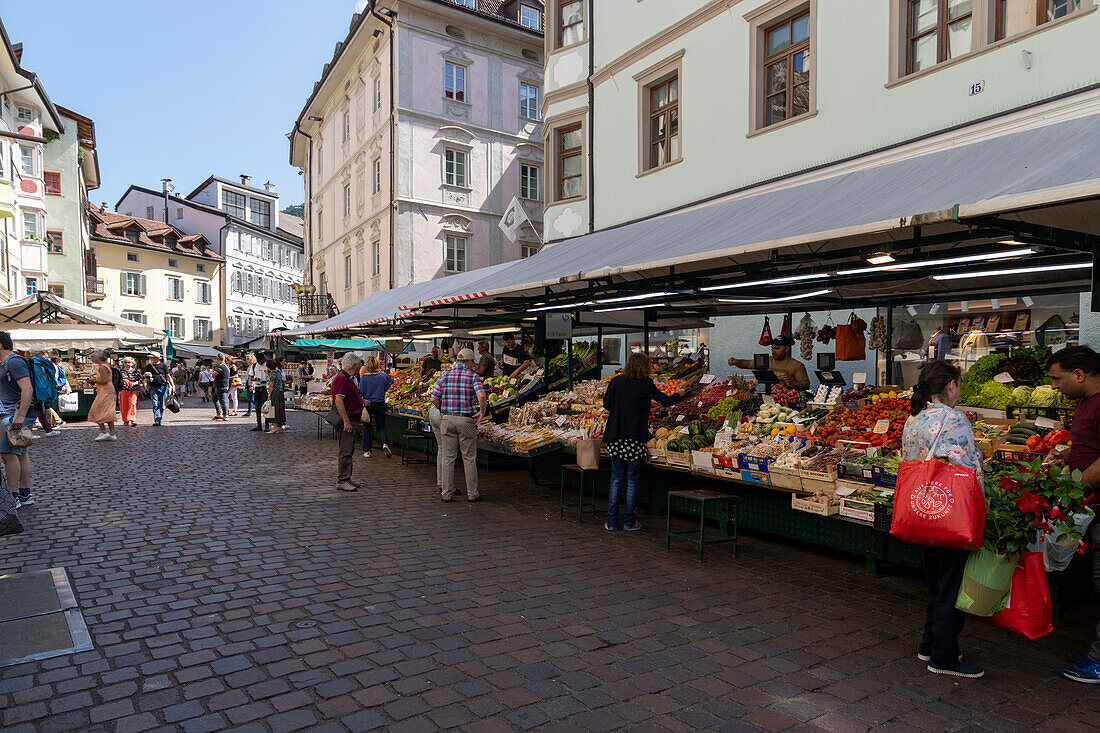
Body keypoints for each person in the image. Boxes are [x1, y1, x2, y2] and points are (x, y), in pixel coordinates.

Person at [902, 360, 985, 679]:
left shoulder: (914, 417)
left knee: (936, 583)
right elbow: (967, 467)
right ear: (951, 385)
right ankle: (944, 657)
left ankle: (930, 643)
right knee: (951, 585)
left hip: (921, 509)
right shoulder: (955, 418)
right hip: (949, 512)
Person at [1044, 346, 1100, 683]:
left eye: (1057, 378)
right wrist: (1068, 458)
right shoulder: (1084, 403)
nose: (1054, 386)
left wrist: (1075, 489)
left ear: (1078, 375)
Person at [602, 353, 686, 531]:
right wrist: (678, 395)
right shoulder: (646, 384)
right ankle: (628, 522)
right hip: (635, 437)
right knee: (632, 480)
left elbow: (606, 403)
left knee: (616, 479)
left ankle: (611, 522)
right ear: (644, 367)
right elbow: (665, 401)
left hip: (616, 435)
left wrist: (620, 410)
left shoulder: (616, 381)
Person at [431, 348, 487, 503]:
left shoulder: (445, 375)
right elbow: (481, 395)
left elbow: (434, 398)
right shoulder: (472, 376)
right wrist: (482, 412)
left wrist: (443, 409)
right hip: (466, 420)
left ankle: (446, 493)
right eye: (472, 362)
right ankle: (472, 493)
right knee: (469, 458)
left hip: (447, 419)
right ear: (469, 361)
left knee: (448, 457)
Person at [0, 331, 35, 506]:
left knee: (9, 454)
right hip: (11, 413)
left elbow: (27, 388)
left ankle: (13, 497)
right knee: (20, 453)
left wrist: (20, 416)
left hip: (12, 415)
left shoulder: (13, 362)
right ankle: (25, 494)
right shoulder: (7, 362)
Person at [727, 335, 810, 391]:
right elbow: (748, 364)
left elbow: (806, 385)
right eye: (772, 348)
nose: (773, 351)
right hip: (768, 401)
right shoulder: (767, 360)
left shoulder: (797, 366)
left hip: (788, 401)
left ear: (786, 349)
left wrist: (791, 383)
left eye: (777, 348)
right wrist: (736, 362)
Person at [332, 352, 364, 492]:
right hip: (348, 419)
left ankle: (347, 477)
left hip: (352, 418)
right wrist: (346, 421)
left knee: (349, 449)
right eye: (358, 365)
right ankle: (342, 480)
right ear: (354, 365)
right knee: (345, 450)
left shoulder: (348, 378)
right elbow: (338, 400)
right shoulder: (342, 379)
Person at [358, 355, 393, 458]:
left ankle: (367, 450)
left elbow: (361, 391)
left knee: (367, 427)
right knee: (381, 426)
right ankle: (384, 443)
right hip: (380, 403)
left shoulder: (364, 377)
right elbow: (391, 383)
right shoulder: (383, 375)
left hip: (368, 403)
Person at [87, 348, 119, 443]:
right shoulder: (104, 366)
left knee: (96, 410)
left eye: (93, 356)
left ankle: (104, 432)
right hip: (105, 390)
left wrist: (93, 380)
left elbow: (104, 381)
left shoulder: (102, 367)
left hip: (106, 391)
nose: (92, 358)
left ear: (99, 357)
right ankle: (111, 433)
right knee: (107, 412)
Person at [143, 353, 172, 426]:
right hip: (152, 387)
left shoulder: (163, 365)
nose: (151, 359)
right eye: (151, 358)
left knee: (162, 405)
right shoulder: (149, 366)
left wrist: (172, 385)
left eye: (153, 358)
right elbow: (146, 377)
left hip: (163, 387)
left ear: (158, 358)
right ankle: (157, 420)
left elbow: (167, 375)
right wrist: (146, 384)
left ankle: (159, 417)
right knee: (155, 404)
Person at [118, 356, 142, 427]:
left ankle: (132, 419)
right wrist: (123, 381)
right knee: (124, 406)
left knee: (132, 404)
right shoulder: (120, 371)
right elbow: (118, 380)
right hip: (123, 390)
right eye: (125, 362)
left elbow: (140, 380)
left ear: (132, 363)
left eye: (129, 362)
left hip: (133, 390)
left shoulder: (135, 371)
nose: (127, 364)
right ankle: (125, 420)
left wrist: (134, 383)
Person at [266, 358, 286, 434]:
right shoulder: (278, 372)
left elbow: (271, 386)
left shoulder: (272, 375)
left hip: (275, 393)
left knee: (275, 410)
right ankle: (279, 427)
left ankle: (275, 427)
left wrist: (269, 395)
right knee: (280, 409)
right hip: (280, 392)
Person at [250, 353, 269, 432]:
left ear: (264, 359)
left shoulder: (267, 365)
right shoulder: (254, 366)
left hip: (265, 388)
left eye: (261, 360)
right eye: (258, 360)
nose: (260, 361)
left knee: (266, 408)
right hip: (257, 388)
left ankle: (267, 425)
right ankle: (259, 425)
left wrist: (264, 380)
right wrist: (257, 380)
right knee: (257, 408)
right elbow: (251, 377)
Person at [211, 354, 230, 421]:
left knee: (223, 401)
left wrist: (213, 372)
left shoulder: (221, 366)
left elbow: (213, 375)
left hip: (221, 386)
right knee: (214, 398)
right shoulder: (226, 366)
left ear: (218, 359)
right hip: (223, 385)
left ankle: (225, 415)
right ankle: (219, 413)